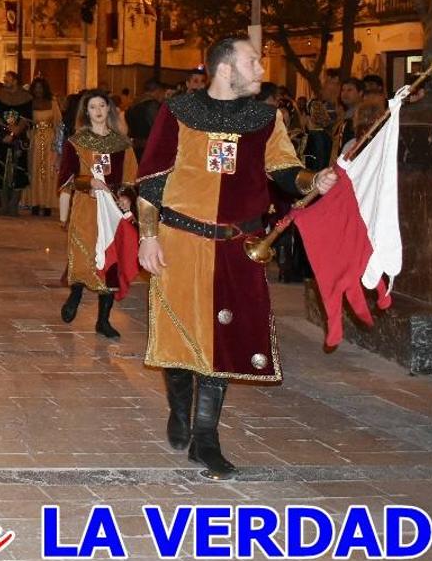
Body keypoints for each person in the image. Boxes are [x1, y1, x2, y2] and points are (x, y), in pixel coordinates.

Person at [137, 37, 336, 479]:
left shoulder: (266, 118)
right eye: (253, 61)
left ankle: (205, 438)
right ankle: (179, 408)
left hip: (238, 246)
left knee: (223, 341)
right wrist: (147, 237)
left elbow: (284, 170)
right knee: (179, 337)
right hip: (181, 241)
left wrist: (311, 179)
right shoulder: (177, 112)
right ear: (225, 69)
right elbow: (152, 179)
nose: (262, 69)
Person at [58, 90, 136, 339]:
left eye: (103, 105)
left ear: (109, 109)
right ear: (86, 112)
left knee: (110, 260)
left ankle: (103, 321)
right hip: (86, 206)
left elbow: (131, 179)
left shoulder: (122, 143)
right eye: (93, 107)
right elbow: (66, 178)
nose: (99, 111)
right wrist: (88, 181)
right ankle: (76, 293)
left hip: (112, 209)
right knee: (84, 254)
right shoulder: (76, 142)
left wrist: (126, 197)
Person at [0, 72, 32, 217]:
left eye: (7, 80)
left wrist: (14, 133)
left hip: (19, 139)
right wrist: (5, 129)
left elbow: (26, 119)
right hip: (1, 137)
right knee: (0, 171)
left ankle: (14, 205)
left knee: (18, 171)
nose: (5, 82)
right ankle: (3, 205)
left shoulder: (26, 97)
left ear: (15, 81)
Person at [22, 77, 61, 217]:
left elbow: (58, 124)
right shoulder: (29, 103)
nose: (38, 90)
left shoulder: (53, 103)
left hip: (50, 140)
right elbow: (25, 122)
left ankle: (48, 203)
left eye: (41, 87)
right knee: (35, 170)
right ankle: (35, 202)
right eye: (36, 87)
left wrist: (58, 144)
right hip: (35, 140)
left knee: (49, 171)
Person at [125, 78, 166, 160]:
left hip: (135, 146)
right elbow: (159, 127)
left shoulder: (133, 104)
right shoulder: (152, 105)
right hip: (150, 147)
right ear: (158, 91)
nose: (163, 95)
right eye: (163, 92)